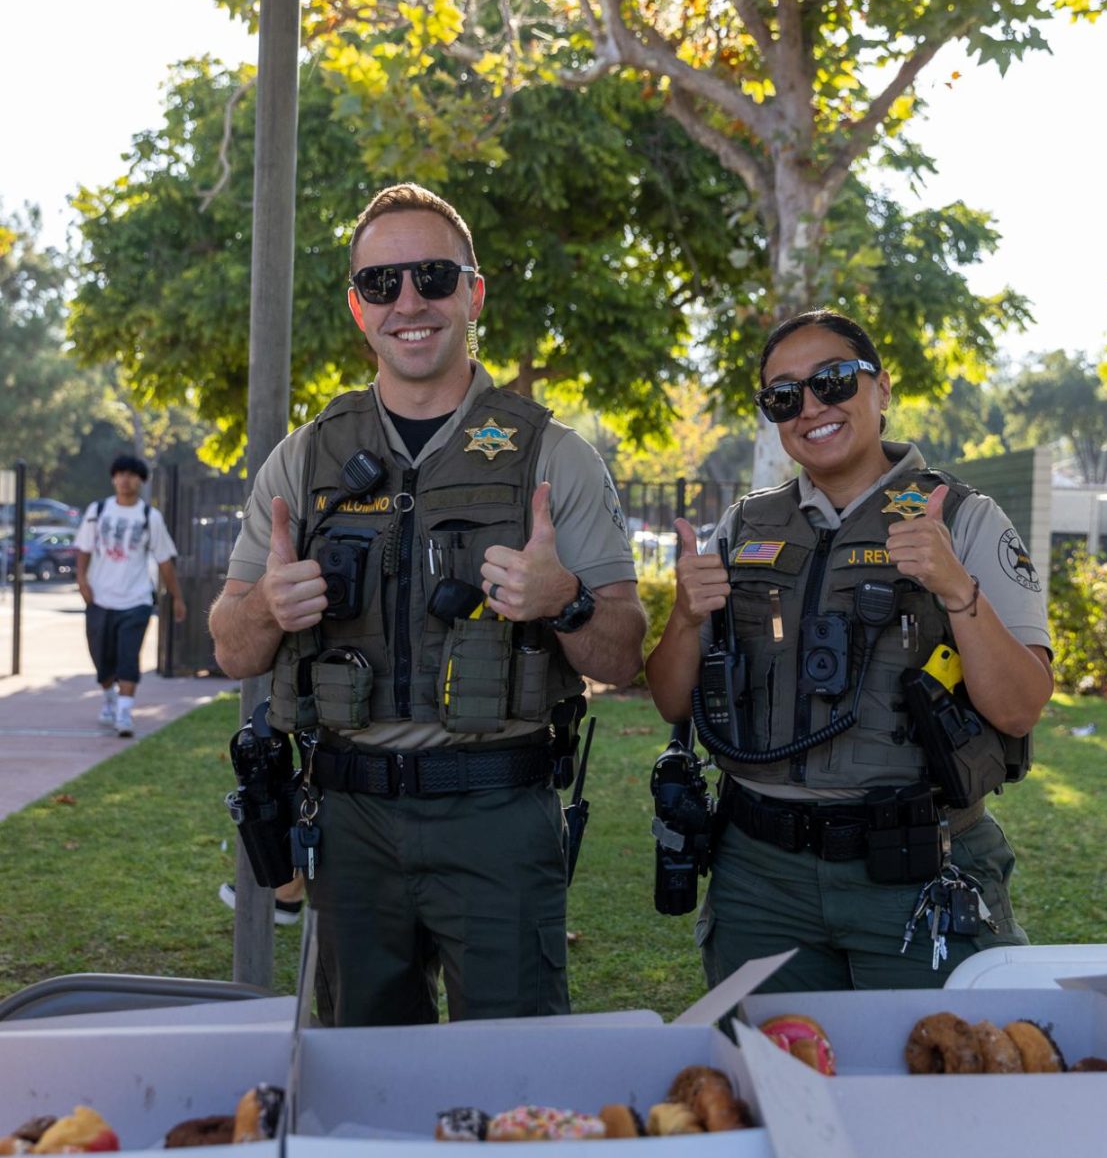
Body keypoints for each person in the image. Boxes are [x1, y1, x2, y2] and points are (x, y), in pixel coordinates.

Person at [209, 182, 645, 1027]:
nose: (409, 301)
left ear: (473, 293)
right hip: (351, 822)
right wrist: (267, 604)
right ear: (357, 308)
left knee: (514, 1073)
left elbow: (624, 656)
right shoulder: (304, 461)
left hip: (497, 815)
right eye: (382, 284)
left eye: (434, 276)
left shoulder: (553, 456)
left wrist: (567, 602)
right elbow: (232, 648)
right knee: (361, 1081)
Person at [645, 309, 1052, 993]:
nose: (811, 407)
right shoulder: (744, 525)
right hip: (760, 877)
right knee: (768, 1079)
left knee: (933, 1083)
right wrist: (686, 617)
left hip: (916, 869)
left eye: (832, 381)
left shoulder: (964, 518)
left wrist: (956, 589)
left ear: (881, 389)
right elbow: (669, 699)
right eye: (784, 395)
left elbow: (1019, 710)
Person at [75, 455, 187, 737]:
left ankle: (124, 713)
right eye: (120, 474)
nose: (125, 480)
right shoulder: (98, 510)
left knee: (128, 655)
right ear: (113, 478)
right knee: (101, 657)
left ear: (141, 480)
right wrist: (82, 581)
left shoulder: (150, 517)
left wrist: (177, 597)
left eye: (131, 475)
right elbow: (84, 549)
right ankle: (110, 700)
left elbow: (164, 561)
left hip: (136, 600)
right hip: (100, 598)